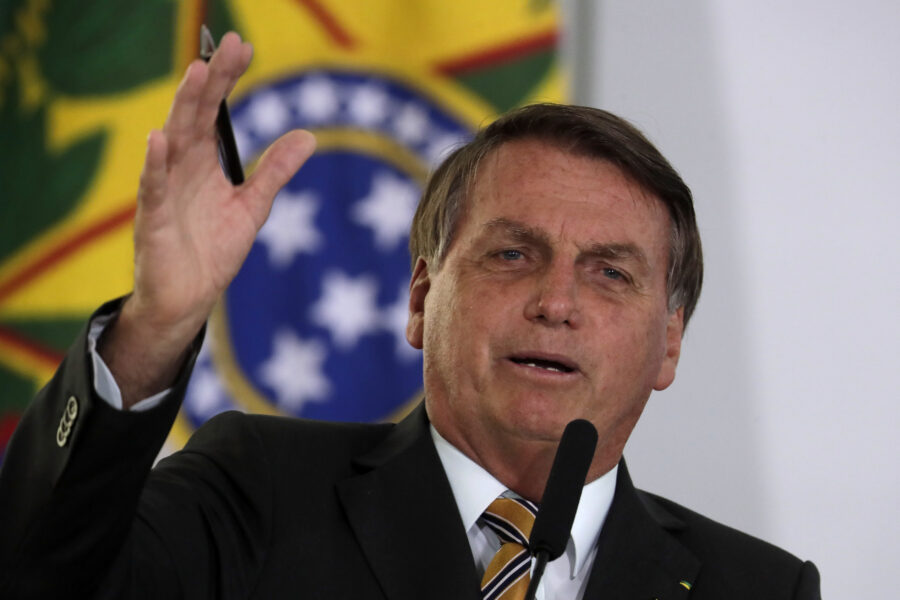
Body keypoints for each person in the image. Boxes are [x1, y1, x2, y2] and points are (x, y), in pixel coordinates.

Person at [0, 32, 820, 599]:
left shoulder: (757, 590)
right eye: (512, 254)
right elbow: (39, 580)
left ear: (669, 342)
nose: (557, 302)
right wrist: (156, 325)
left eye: (610, 273)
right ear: (423, 298)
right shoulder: (260, 490)